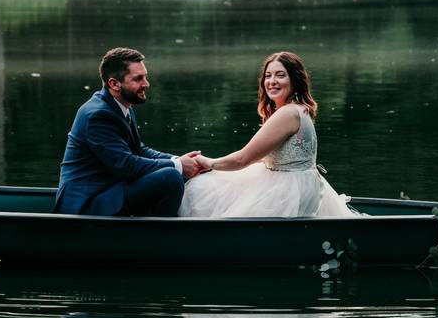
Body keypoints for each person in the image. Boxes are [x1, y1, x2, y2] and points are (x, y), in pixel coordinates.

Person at [178, 51, 356, 218]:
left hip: (288, 191)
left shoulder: (288, 113)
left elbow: (242, 159)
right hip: (303, 184)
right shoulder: (299, 109)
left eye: (280, 75)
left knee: (201, 187)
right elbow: (269, 156)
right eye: (268, 76)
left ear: (295, 80)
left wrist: (209, 163)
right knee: (221, 184)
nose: (272, 81)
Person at [55, 47, 203, 216]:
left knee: (177, 172)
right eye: (138, 79)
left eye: (145, 77)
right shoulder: (98, 115)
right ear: (114, 84)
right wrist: (178, 166)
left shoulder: (121, 106)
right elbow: (125, 165)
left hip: (110, 190)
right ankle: (159, 238)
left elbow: (139, 150)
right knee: (171, 178)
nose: (146, 84)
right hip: (87, 202)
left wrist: (178, 160)